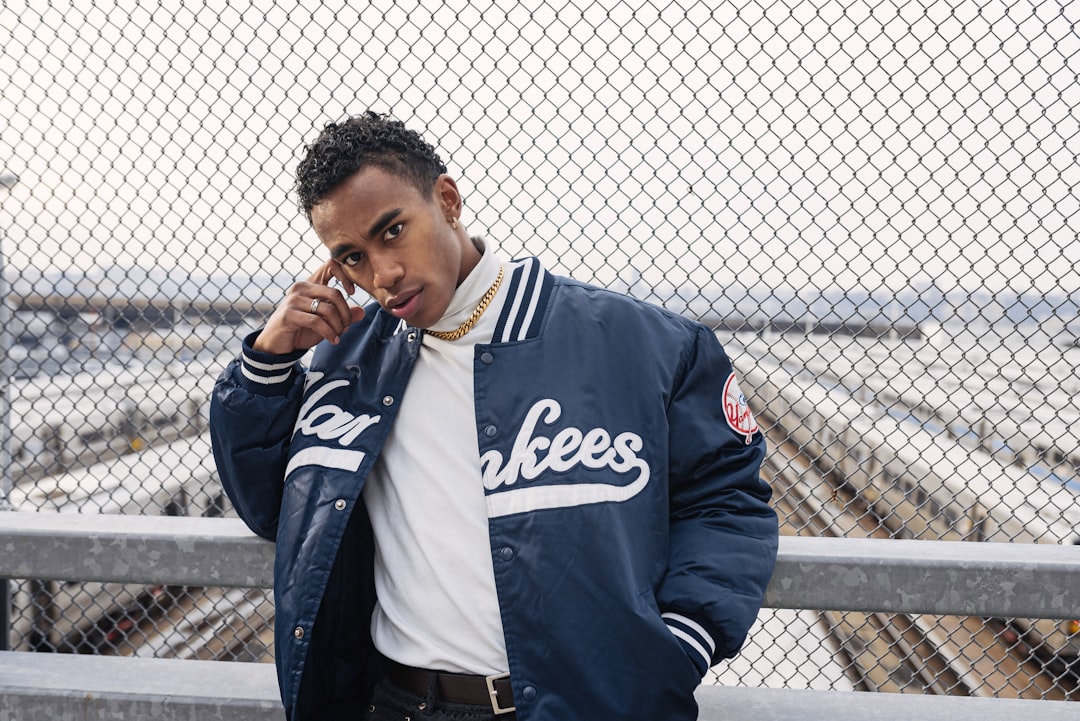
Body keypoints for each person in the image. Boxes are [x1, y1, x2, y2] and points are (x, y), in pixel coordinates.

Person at [210, 111, 779, 721]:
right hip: (396, 704)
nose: (383, 274)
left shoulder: (642, 345)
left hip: (581, 706)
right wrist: (267, 368)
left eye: (393, 231)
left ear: (447, 201)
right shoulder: (347, 365)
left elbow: (725, 501)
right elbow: (276, 510)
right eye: (351, 257)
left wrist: (679, 644)